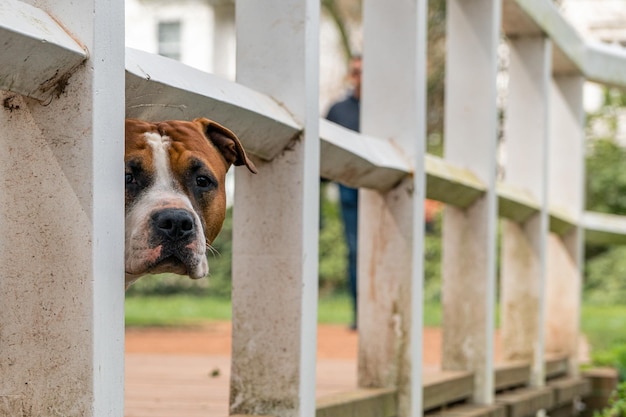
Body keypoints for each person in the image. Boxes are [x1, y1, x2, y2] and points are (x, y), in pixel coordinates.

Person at [325, 55, 362, 330]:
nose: (360, 77)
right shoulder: (338, 110)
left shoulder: (386, 113)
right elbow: (324, 154)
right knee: (355, 251)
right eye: (356, 72)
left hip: (385, 193)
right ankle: (359, 313)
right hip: (350, 193)